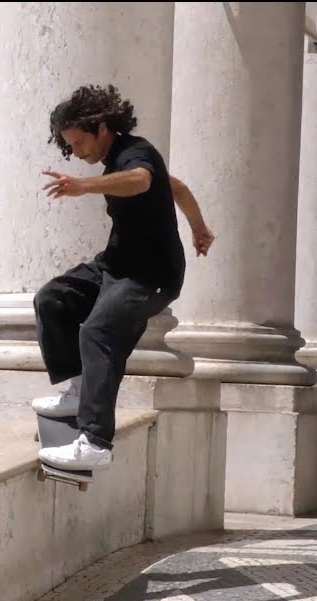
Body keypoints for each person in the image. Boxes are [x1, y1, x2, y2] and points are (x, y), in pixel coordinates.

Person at [30, 84, 212, 474]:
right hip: (115, 265)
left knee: (98, 331)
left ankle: (95, 441)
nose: (77, 153)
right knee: (52, 300)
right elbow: (174, 186)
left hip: (153, 275)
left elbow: (143, 181)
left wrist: (84, 186)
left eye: (79, 143)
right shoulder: (116, 159)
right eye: (70, 147)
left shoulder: (135, 152)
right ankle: (79, 389)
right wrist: (199, 229)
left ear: (101, 127)